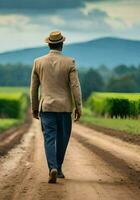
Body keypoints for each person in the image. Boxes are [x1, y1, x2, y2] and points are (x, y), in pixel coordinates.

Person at [30, 31, 82, 184]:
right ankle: (58, 169)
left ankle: (51, 167)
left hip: (46, 107)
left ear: (48, 44)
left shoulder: (38, 62)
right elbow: (75, 86)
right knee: (63, 139)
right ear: (62, 44)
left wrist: (34, 107)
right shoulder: (70, 62)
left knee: (49, 138)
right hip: (65, 108)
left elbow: (33, 88)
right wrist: (78, 107)